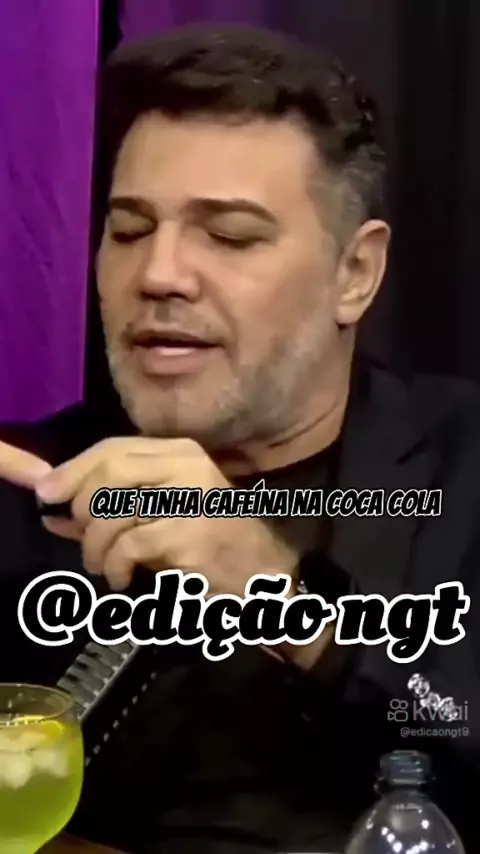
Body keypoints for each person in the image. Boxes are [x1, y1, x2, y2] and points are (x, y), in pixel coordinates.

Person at [1, 23, 480, 854]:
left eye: (228, 235)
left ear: (355, 274)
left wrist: (281, 600)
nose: (159, 274)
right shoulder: (27, 486)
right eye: (129, 229)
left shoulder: (462, 471)